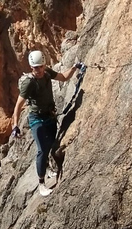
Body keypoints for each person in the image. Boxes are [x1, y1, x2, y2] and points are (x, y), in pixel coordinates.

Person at [11, 50, 84, 196]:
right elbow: (18, 105)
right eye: (34, 68)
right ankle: (41, 184)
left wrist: (75, 67)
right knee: (42, 150)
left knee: (51, 143)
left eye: (40, 67)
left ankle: (47, 168)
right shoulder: (29, 83)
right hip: (36, 118)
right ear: (31, 67)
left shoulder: (48, 73)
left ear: (44, 65)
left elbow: (63, 77)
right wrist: (15, 125)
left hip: (49, 116)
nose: (37, 70)